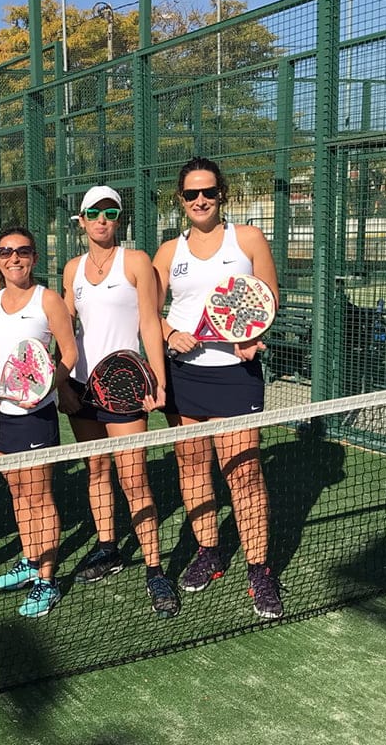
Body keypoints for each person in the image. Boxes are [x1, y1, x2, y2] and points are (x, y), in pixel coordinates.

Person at [152, 156, 283, 620]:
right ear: (181, 199)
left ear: (221, 193)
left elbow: (269, 296)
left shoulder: (247, 239)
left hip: (234, 375)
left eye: (208, 191)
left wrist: (251, 335)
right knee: (192, 468)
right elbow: (148, 311)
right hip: (183, 375)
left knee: (244, 473)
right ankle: (209, 551)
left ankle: (259, 569)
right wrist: (170, 334)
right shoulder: (169, 252)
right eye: (192, 194)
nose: (201, 200)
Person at [57, 186, 180, 618]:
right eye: (94, 213)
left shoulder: (136, 261)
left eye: (110, 213)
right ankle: (108, 548)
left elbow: (150, 322)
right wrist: (61, 382)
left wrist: (157, 381)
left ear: (119, 219)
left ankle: (155, 569)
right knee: (96, 470)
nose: (102, 220)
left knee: (134, 477)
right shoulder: (72, 269)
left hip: (126, 388)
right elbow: (65, 328)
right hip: (82, 388)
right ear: (82, 220)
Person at [0, 227, 77, 617]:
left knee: (39, 496)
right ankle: (30, 559)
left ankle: (47, 581)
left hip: (36, 415)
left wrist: (46, 386)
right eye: (6, 252)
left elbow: (69, 353)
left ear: (34, 257)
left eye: (22, 251)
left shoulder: (47, 300)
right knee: (18, 492)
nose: (14, 258)